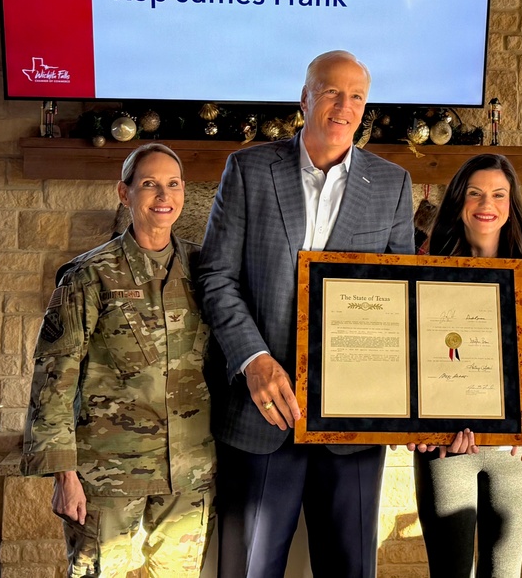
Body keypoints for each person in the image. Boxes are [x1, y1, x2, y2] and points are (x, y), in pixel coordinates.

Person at [198, 50, 415, 578]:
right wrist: (253, 359)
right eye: (332, 92)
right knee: (250, 568)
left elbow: (401, 301)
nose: (345, 106)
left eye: (357, 96)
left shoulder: (392, 184)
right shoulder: (248, 169)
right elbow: (215, 278)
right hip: (261, 409)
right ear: (305, 98)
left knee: (349, 568)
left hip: (355, 422)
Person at [22, 143, 214, 577]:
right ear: (125, 194)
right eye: (149, 184)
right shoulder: (89, 275)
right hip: (107, 475)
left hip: (189, 471)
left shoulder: (205, 270)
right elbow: (53, 377)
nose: (163, 196)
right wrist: (64, 475)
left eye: (173, 184)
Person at [412, 153, 522, 578]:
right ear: (459, 200)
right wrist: (415, 422)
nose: (487, 203)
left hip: (514, 449)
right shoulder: (426, 271)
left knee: (504, 574)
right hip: (446, 446)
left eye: (499, 194)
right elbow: (411, 365)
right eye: (476, 193)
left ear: (511, 205)